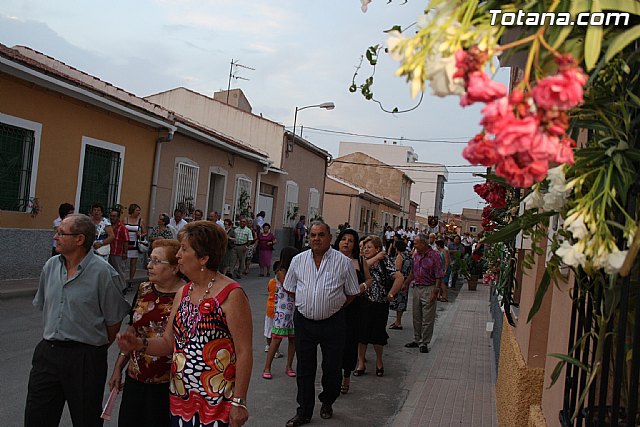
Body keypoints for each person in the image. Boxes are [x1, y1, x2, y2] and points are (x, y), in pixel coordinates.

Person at [117, 221, 253, 427]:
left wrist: (239, 401)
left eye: (184, 249)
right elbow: (168, 342)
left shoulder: (231, 295)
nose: (178, 255)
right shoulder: (184, 292)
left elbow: (244, 352)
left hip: (217, 402)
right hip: (181, 399)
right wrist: (139, 344)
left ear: (204, 258)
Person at [25, 214, 130, 427]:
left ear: (79, 239)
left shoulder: (104, 273)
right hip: (48, 354)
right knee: (37, 417)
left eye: (61, 233)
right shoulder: (51, 266)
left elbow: (113, 322)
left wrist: (89, 347)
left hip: (86, 359)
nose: (55, 237)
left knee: (86, 419)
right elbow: (46, 306)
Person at [283, 221, 360, 426]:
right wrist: (306, 301)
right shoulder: (298, 260)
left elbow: (352, 292)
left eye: (321, 235)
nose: (316, 239)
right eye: (313, 235)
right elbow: (290, 287)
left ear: (330, 238)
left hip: (333, 323)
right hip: (304, 322)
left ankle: (327, 401)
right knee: (305, 368)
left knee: (332, 368)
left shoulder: (343, 262)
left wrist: (334, 305)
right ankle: (304, 412)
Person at [108, 239, 185, 427]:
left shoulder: (186, 295)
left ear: (175, 268)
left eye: (157, 262)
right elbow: (133, 329)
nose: (149, 266)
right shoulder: (144, 289)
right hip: (136, 377)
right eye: (150, 260)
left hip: (169, 383)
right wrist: (119, 366)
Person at [355, 235, 403, 378]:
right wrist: (377, 257)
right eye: (364, 247)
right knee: (361, 335)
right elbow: (359, 270)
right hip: (363, 303)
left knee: (378, 335)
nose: (366, 249)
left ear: (377, 248)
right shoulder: (360, 260)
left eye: (370, 247)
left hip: (380, 304)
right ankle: (361, 363)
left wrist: (391, 293)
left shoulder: (385, 261)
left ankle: (379, 362)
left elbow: (399, 276)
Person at [333, 228, 371, 395]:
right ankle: (333, 376)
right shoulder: (331, 258)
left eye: (350, 240)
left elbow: (369, 279)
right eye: (343, 239)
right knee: (333, 345)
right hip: (334, 308)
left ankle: (346, 375)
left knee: (349, 343)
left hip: (354, 308)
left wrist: (362, 286)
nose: (346, 242)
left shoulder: (359, 261)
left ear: (355, 245)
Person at [263, 247, 299, 380]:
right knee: (276, 339)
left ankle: (289, 366)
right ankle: (267, 367)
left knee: (293, 339)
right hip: (283, 310)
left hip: (295, 309)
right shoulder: (281, 271)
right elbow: (287, 287)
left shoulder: (294, 271)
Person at [404, 233, 444, 354]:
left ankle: (424, 342)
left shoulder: (435, 256)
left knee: (428, 317)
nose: (414, 245)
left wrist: (436, 291)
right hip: (417, 287)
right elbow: (413, 272)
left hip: (429, 287)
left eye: (416, 243)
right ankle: (417, 339)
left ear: (423, 243)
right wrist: (405, 284)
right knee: (416, 315)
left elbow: (439, 275)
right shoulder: (416, 255)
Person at [389, 239, 413, 330]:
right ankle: (398, 321)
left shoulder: (400, 256)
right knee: (402, 301)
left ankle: (398, 322)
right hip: (406, 280)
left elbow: (397, 269)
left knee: (398, 301)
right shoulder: (409, 256)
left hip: (400, 281)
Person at [124, 203, 146, 282]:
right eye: (137, 210)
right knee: (124, 261)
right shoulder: (125, 219)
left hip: (135, 243)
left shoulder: (140, 220)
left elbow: (145, 232)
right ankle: (123, 279)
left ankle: (131, 279)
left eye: (139, 211)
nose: (139, 212)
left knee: (133, 263)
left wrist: (140, 234)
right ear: (132, 210)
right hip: (126, 242)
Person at [109, 207, 129, 285]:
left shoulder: (122, 228)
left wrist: (125, 252)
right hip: (109, 251)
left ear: (118, 217)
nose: (112, 218)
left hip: (118, 252)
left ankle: (122, 287)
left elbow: (126, 241)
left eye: (114, 216)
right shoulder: (108, 226)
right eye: (111, 216)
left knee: (119, 270)